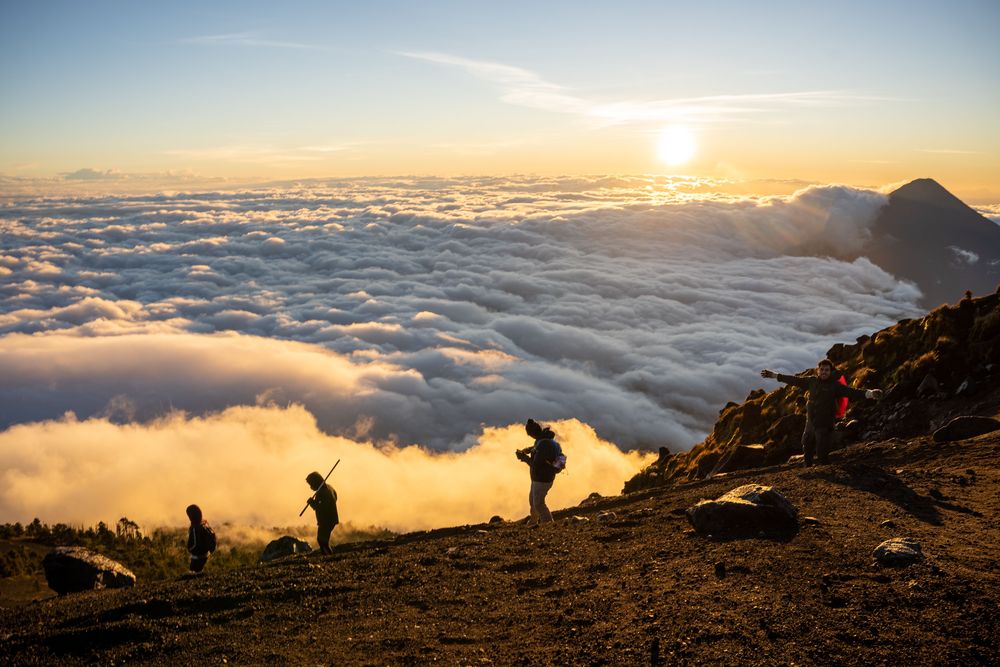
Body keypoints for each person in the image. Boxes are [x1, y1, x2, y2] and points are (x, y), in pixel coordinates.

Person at [761, 359, 883, 467]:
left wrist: (870, 393)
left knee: (821, 449)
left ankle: (825, 468)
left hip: (824, 424)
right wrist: (774, 375)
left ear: (830, 372)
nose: (824, 372)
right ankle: (808, 467)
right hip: (810, 421)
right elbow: (793, 380)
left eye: (826, 370)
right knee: (807, 443)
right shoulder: (811, 381)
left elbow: (852, 392)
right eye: (822, 369)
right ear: (818, 371)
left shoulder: (835, 386)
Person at [516, 419, 564, 525]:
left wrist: (523, 457)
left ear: (531, 433)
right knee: (533, 501)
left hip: (542, 479)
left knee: (538, 503)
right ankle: (533, 521)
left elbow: (536, 464)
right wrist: (528, 450)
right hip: (540, 477)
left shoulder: (543, 444)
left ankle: (548, 524)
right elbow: (537, 448)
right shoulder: (544, 439)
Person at [305, 471, 339, 555]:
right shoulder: (329, 488)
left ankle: (327, 555)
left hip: (327, 520)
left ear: (316, 483)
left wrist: (312, 503)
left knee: (321, 540)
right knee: (323, 540)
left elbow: (322, 508)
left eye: (311, 484)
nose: (311, 487)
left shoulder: (323, 492)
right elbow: (335, 496)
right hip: (330, 519)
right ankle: (327, 555)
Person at [185, 504, 216, 573]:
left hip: (197, 556)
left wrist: (190, 549)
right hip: (205, 554)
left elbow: (195, 544)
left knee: (193, 574)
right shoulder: (204, 524)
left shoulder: (195, 527)